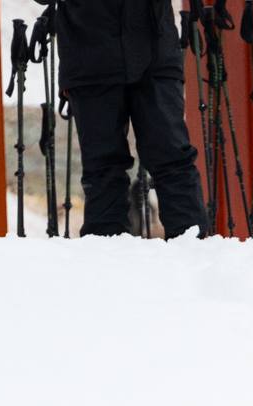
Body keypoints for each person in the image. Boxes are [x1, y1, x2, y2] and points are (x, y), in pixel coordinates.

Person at [44, 0, 208, 238]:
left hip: (152, 49)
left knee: (171, 156)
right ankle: (108, 261)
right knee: (104, 167)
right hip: (90, 56)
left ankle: (194, 255)